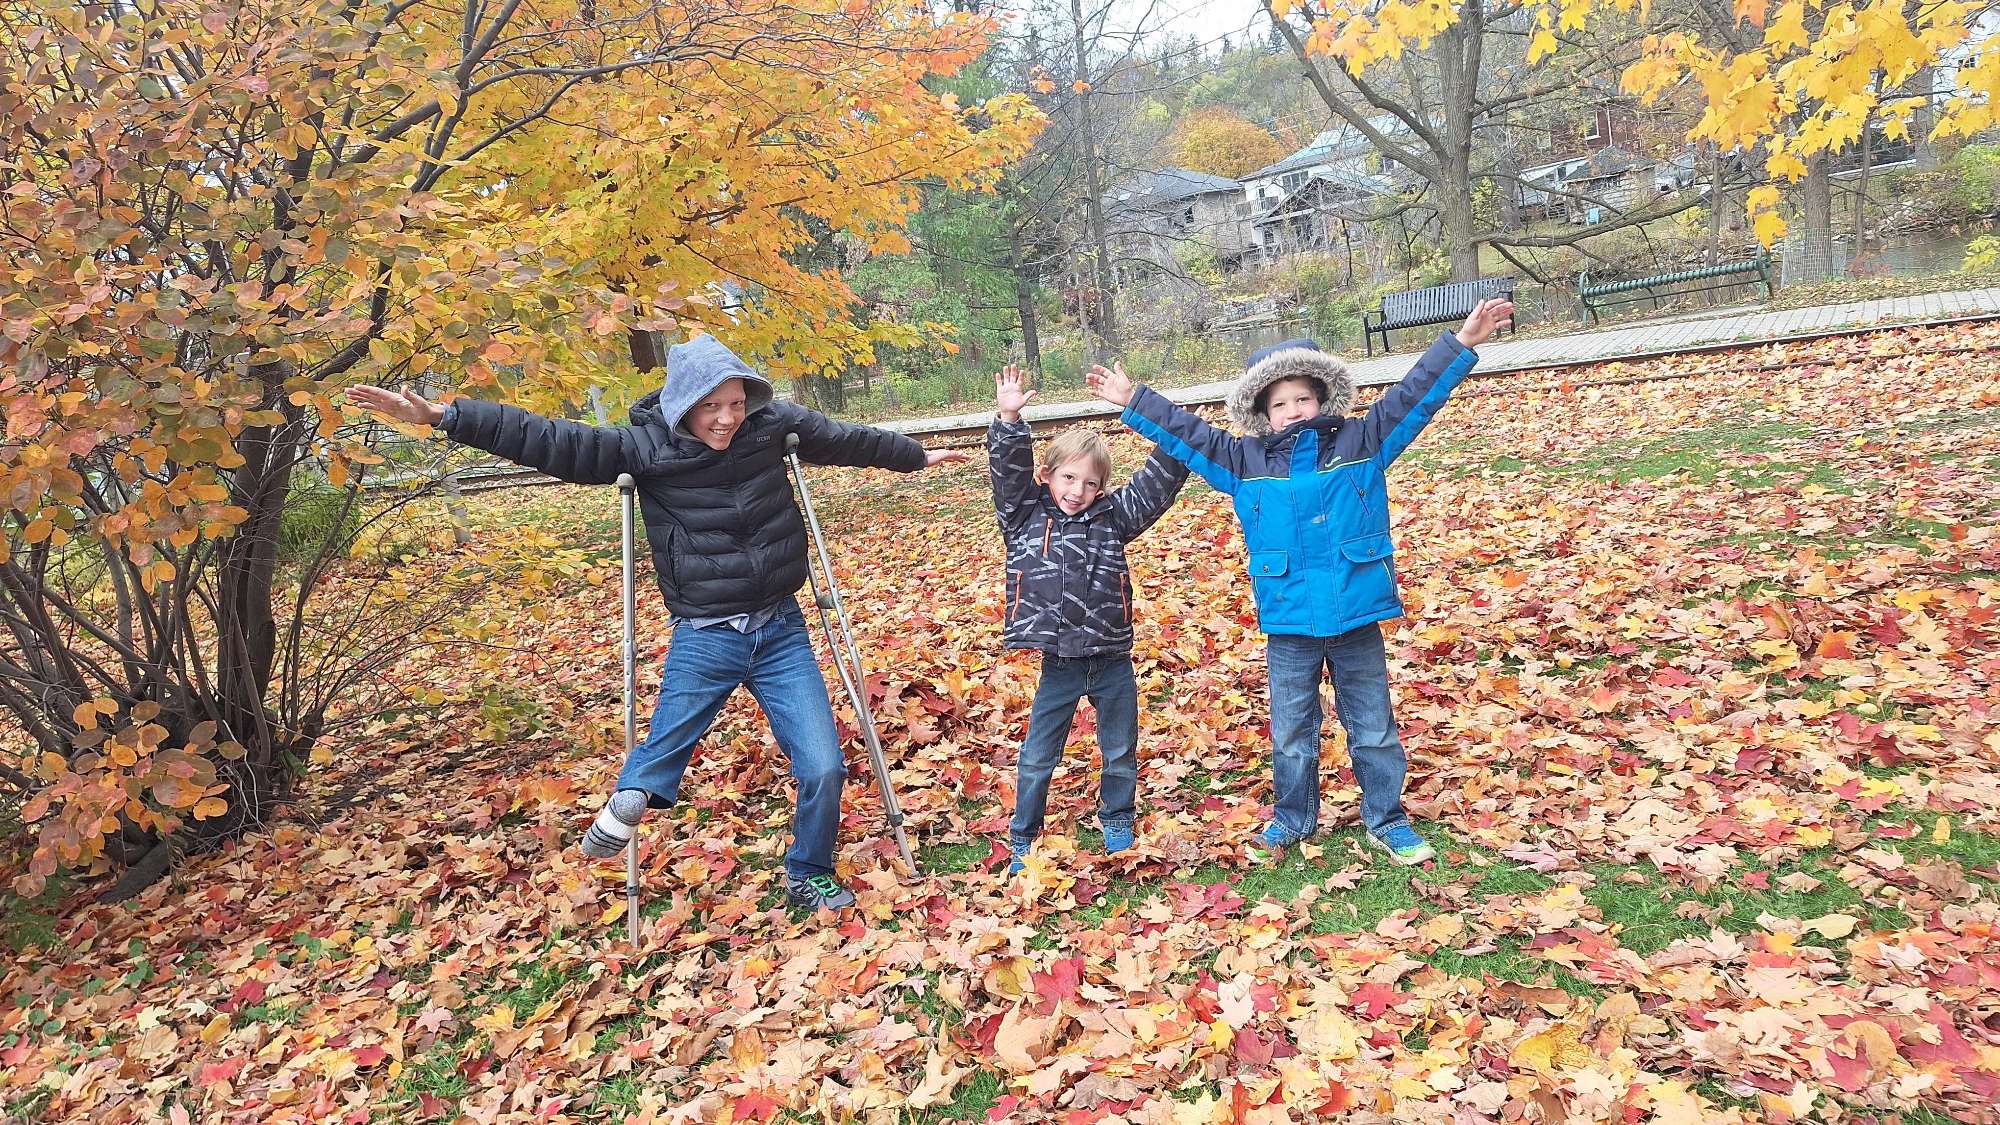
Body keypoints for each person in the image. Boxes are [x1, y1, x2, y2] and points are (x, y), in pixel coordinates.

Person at [349, 334, 967, 913]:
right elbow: (554, 440)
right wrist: (445, 417)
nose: (726, 418)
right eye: (711, 407)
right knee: (667, 743)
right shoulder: (643, 445)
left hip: (781, 629)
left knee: (825, 765)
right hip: (706, 634)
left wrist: (915, 456)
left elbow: (847, 438)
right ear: (682, 406)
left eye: (734, 403)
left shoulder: (771, 427)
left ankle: (808, 870)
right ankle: (628, 804)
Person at [1083, 298, 1514, 865]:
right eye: (1280, 402)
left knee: (1375, 729)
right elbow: (1192, 434)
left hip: (1357, 616)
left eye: (1303, 398)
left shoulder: (1365, 443)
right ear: (1264, 412)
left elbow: (1414, 396)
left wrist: (1462, 342)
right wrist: (1134, 400)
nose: (1293, 410)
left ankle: (1386, 817)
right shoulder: (1243, 461)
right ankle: (1293, 818)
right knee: (1291, 732)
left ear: (1323, 399)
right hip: (1290, 622)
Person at [986, 364, 1188, 875]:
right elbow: (1008, 473)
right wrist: (1010, 418)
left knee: (1119, 749)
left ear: (1102, 489)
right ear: (1047, 477)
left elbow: (1164, 472)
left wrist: (1137, 406)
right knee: (1037, 756)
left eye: (1089, 483)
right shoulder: (1024, 516)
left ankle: (1117, 817)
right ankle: (1023, 834)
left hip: (1112, 658)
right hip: (1059, 663)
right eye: (1067, 478)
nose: (1076, 491)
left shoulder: (1114, 517)